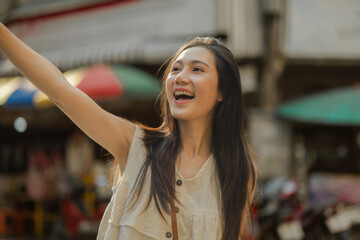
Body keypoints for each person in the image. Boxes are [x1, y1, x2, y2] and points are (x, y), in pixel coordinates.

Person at [0, 22, 257, 240]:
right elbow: (60, 91)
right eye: (176, 69)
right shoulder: (136, 146)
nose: (180, 77)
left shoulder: (238, 170)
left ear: (223, 91)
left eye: (197, 69)